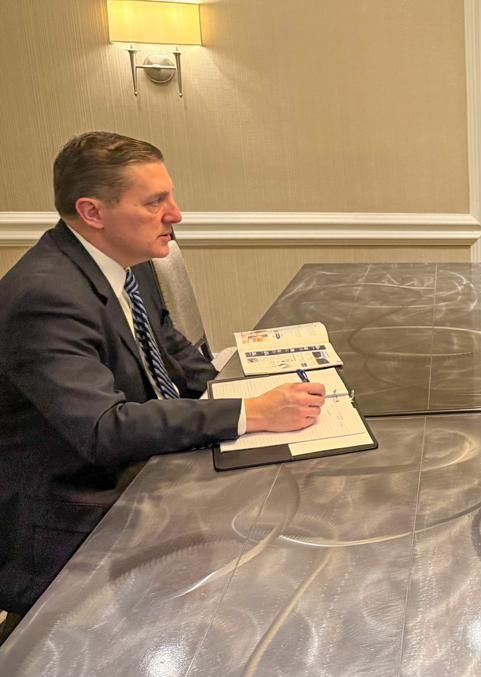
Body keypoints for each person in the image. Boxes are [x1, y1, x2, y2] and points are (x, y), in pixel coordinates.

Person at [0, 131, 324, 617]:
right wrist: (247, 413)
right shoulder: (45, 298)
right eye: (155, 202)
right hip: (77, 517)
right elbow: (105, 429)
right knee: (273, 575)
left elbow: (167, 342)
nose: (176, 214)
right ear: (92, 212)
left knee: (296, 510)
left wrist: (233, 391)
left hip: (145, 472)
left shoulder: (125, 260)